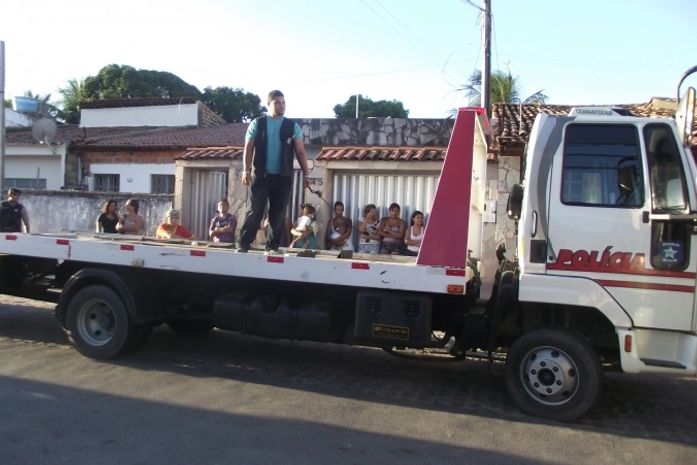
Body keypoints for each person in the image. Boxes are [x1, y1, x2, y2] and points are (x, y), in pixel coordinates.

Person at [237, 90, 311, 253]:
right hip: (261, 175)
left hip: (283, 177)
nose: (282, 105)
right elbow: (248, 148)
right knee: (255, 210)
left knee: (278, 213)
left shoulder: (292, 126)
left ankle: (273, 246)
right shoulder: (258, 123)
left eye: (283, 102)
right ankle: (243, 244)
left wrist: (307, 174)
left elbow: (300, 152)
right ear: (269, 104)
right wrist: (246, 171)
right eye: (277, 102)